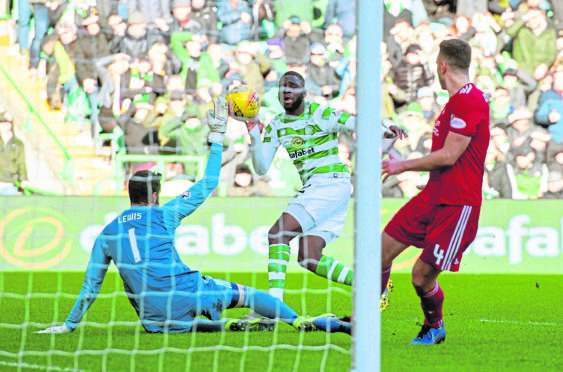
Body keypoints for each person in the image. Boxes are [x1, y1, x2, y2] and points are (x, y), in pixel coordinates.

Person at [36, 98, 349, 335]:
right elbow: (209, 183)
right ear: (155, 197)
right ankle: (301, 322)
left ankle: (226, 328)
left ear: (130, 195)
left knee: (181, 319)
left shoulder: (107, 232)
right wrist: (216, 136)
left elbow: (92, 285)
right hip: (186, 291)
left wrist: (69, 325)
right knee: (249, 295)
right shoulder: (164, 215)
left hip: (152, 317)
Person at [243, 71, 406, 306]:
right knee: (308, 257)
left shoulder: (320, 113)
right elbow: (260, 168)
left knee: (277, 234)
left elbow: (355, 123)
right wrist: (255, 136)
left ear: (304, 92)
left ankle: (274, 305)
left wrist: (385, 127)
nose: (286, 90)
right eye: (282, 86)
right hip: (319, 188)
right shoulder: (277, 125)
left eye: (292, 86)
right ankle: (372, 284)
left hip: (330, 182)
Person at [381, 38, 490, 344]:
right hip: (432, 195)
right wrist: (432, 182)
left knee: (421, 277)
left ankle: (435, 326)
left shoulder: (470, 100)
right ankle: (363, 319)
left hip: (457, 205)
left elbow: (449, 155)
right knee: (379, 252)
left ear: (442, 66)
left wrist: (403, 165)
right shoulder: (454, 102)